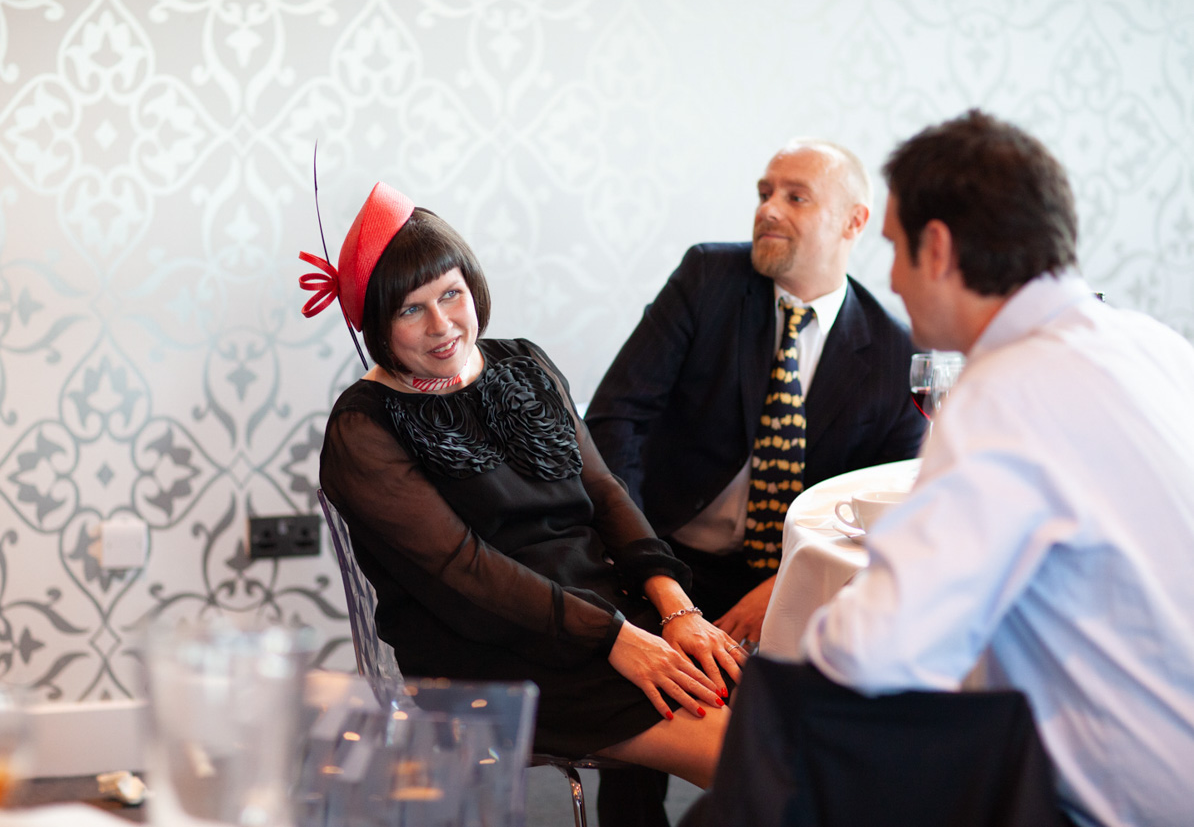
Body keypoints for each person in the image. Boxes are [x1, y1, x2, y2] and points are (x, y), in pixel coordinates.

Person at [802, 109, 1194, 827]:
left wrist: (812, 633)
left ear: (939, 247)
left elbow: (876, 650)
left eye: (893, 247)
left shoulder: (1004, 391)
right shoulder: (1157, 345)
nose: (889, 278)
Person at [304, 181, 742, 788]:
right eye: (410, 309)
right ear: (377, 323)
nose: (442, 325)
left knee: (780, 717)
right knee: (748, 757)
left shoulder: (524, 363)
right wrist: (615, 638)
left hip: (607, 614)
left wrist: (676, 609)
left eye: (451, 294)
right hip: (488, 652)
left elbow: (606, 493)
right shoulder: (364, 427)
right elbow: (467, 571)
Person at [585, 139, 925, 826]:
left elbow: (901, 502)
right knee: (648, 703)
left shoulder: (893, 353)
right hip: (665, 555)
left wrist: (783, 584)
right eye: (765, 191)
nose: (768, 209)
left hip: (790, 576)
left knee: (808, 737)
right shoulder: (709, 280)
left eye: (796, 196)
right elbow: (614, 421)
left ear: (854, 222)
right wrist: (647, 565)